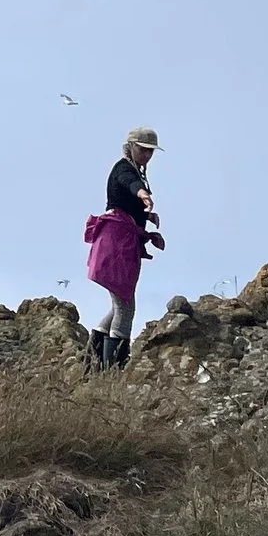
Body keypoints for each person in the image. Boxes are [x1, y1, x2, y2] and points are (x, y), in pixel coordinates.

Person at [83, 130, 163, 369]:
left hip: (117, 242)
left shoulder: (131, 168)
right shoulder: (125, 169)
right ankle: (113, 367)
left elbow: (123, 202)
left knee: (120, 303)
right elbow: (130, 183)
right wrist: (143, 194)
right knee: (125, 306)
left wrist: (145, 215)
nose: (147, 154)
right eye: (143, 149)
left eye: (150, 151)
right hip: (117, 245)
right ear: (130, 146)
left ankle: (93, 364)